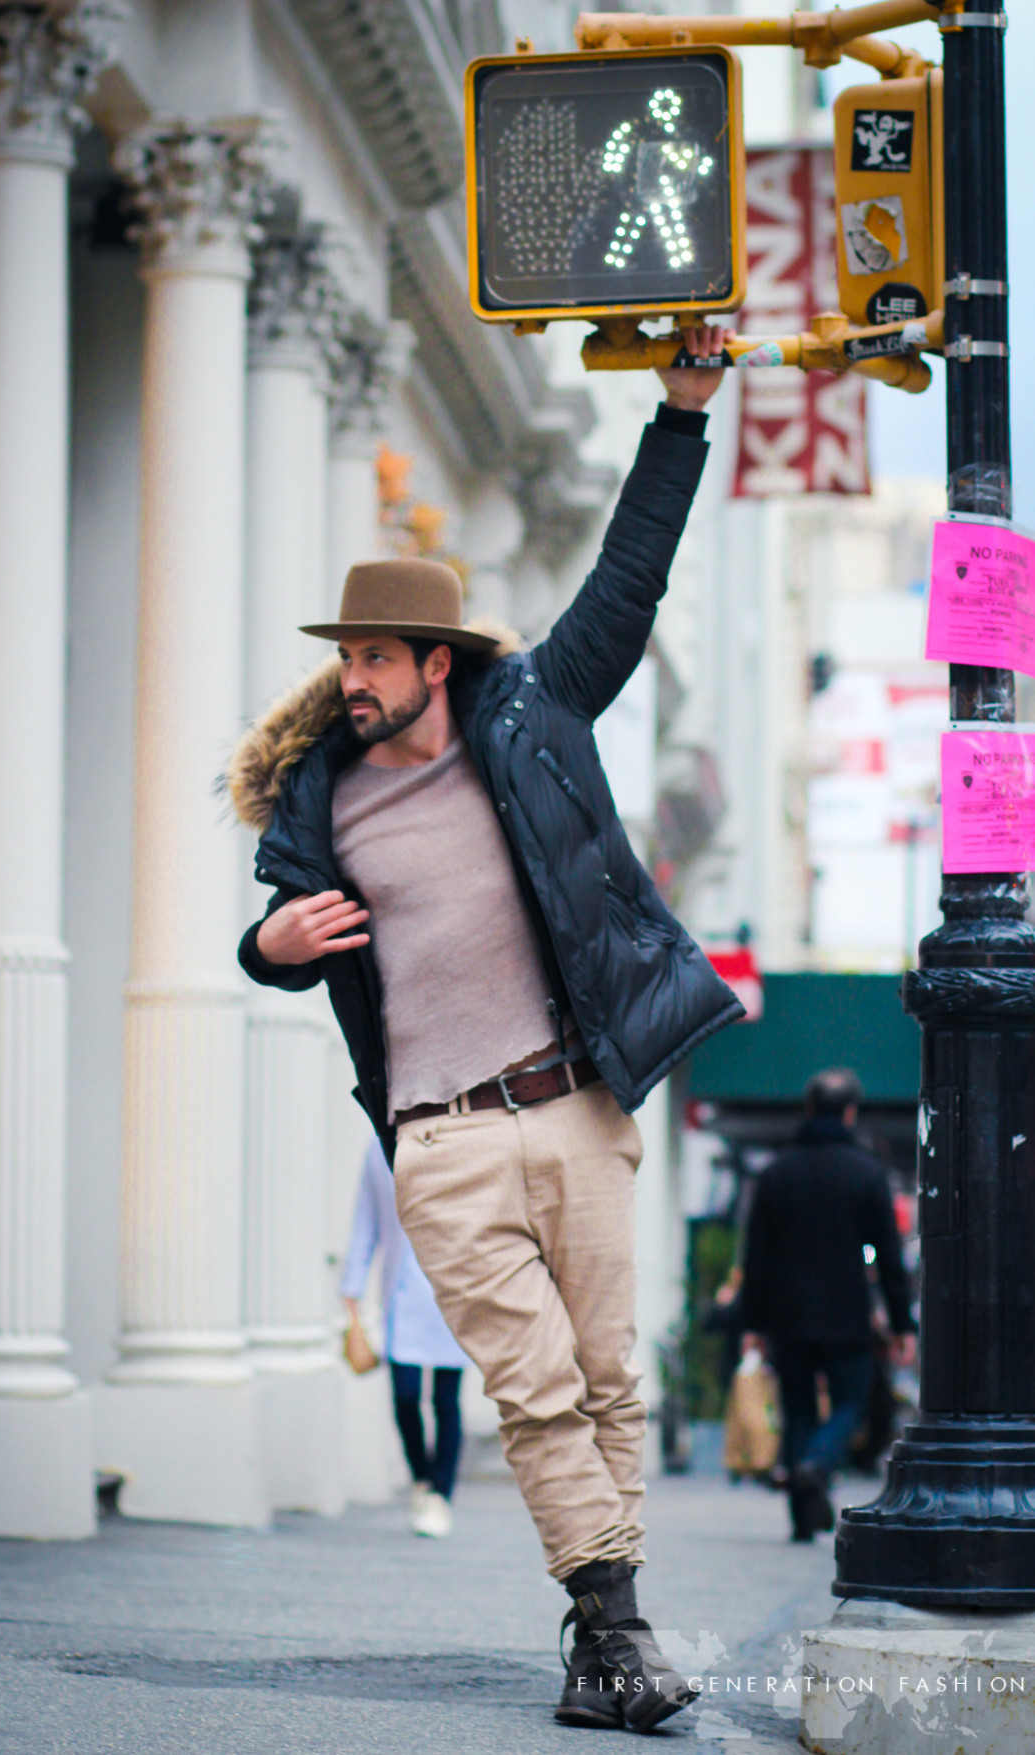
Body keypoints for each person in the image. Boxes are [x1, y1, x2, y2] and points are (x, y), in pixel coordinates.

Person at [229, 325, 741, 1735]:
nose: (353, 680)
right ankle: (616, 1626)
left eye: (377, 658)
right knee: (529, 1389)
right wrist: (263, 947)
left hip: (573, 1101)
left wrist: (679, 414)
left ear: (437, 664)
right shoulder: (318, 805)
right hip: (440, 1139)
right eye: (346, 658)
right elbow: (279, 939)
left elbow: (624, 582)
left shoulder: (533, 714)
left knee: (607, 1372)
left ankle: (601, 1635)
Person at [739, 1068, 917, 1543]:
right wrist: (903, 1323)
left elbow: (756, 1255)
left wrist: (752, 1320)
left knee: (798, 1408)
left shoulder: (777, 1173)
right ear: (851, 1112)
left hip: (787, 1313)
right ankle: (817, 1463)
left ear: (809, 1108)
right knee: (852, 1402)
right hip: (846, 1312)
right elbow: (889, 1255)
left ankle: (800, 1518)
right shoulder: (867, 1172)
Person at [340, 1136, 470, 1538]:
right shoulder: (379, 1148)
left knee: (446, 1400)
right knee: (405, 1395)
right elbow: (368, 1222)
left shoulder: (463, 1142)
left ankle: (441, 1495)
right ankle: (422, 1479)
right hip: (401, 1292)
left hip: (454, 1290)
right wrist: (352, 1288)